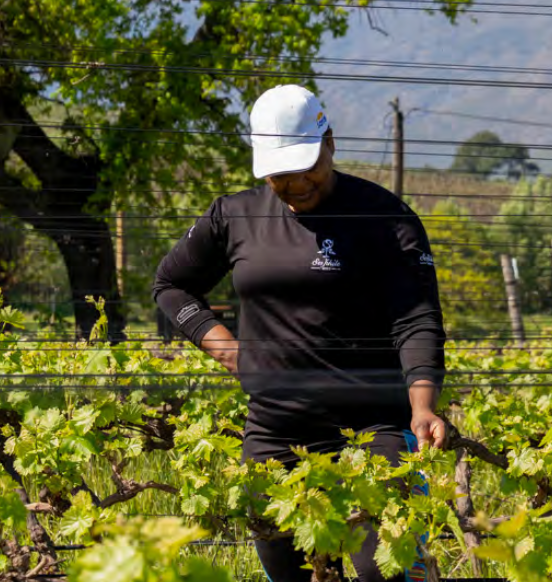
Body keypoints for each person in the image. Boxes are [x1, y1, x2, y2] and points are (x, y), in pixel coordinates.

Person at [152, 84, 447, 582]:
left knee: (382, 572)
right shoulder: (235, 216)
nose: (296, 183)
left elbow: (416, 318)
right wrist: (228, 351)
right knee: (290, 574)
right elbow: (171, 285)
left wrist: (422, 406)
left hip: (373, 428)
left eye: (307, 167)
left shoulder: (385, 218)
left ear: (329, 142)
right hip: (274, 432)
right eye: (280, 175)